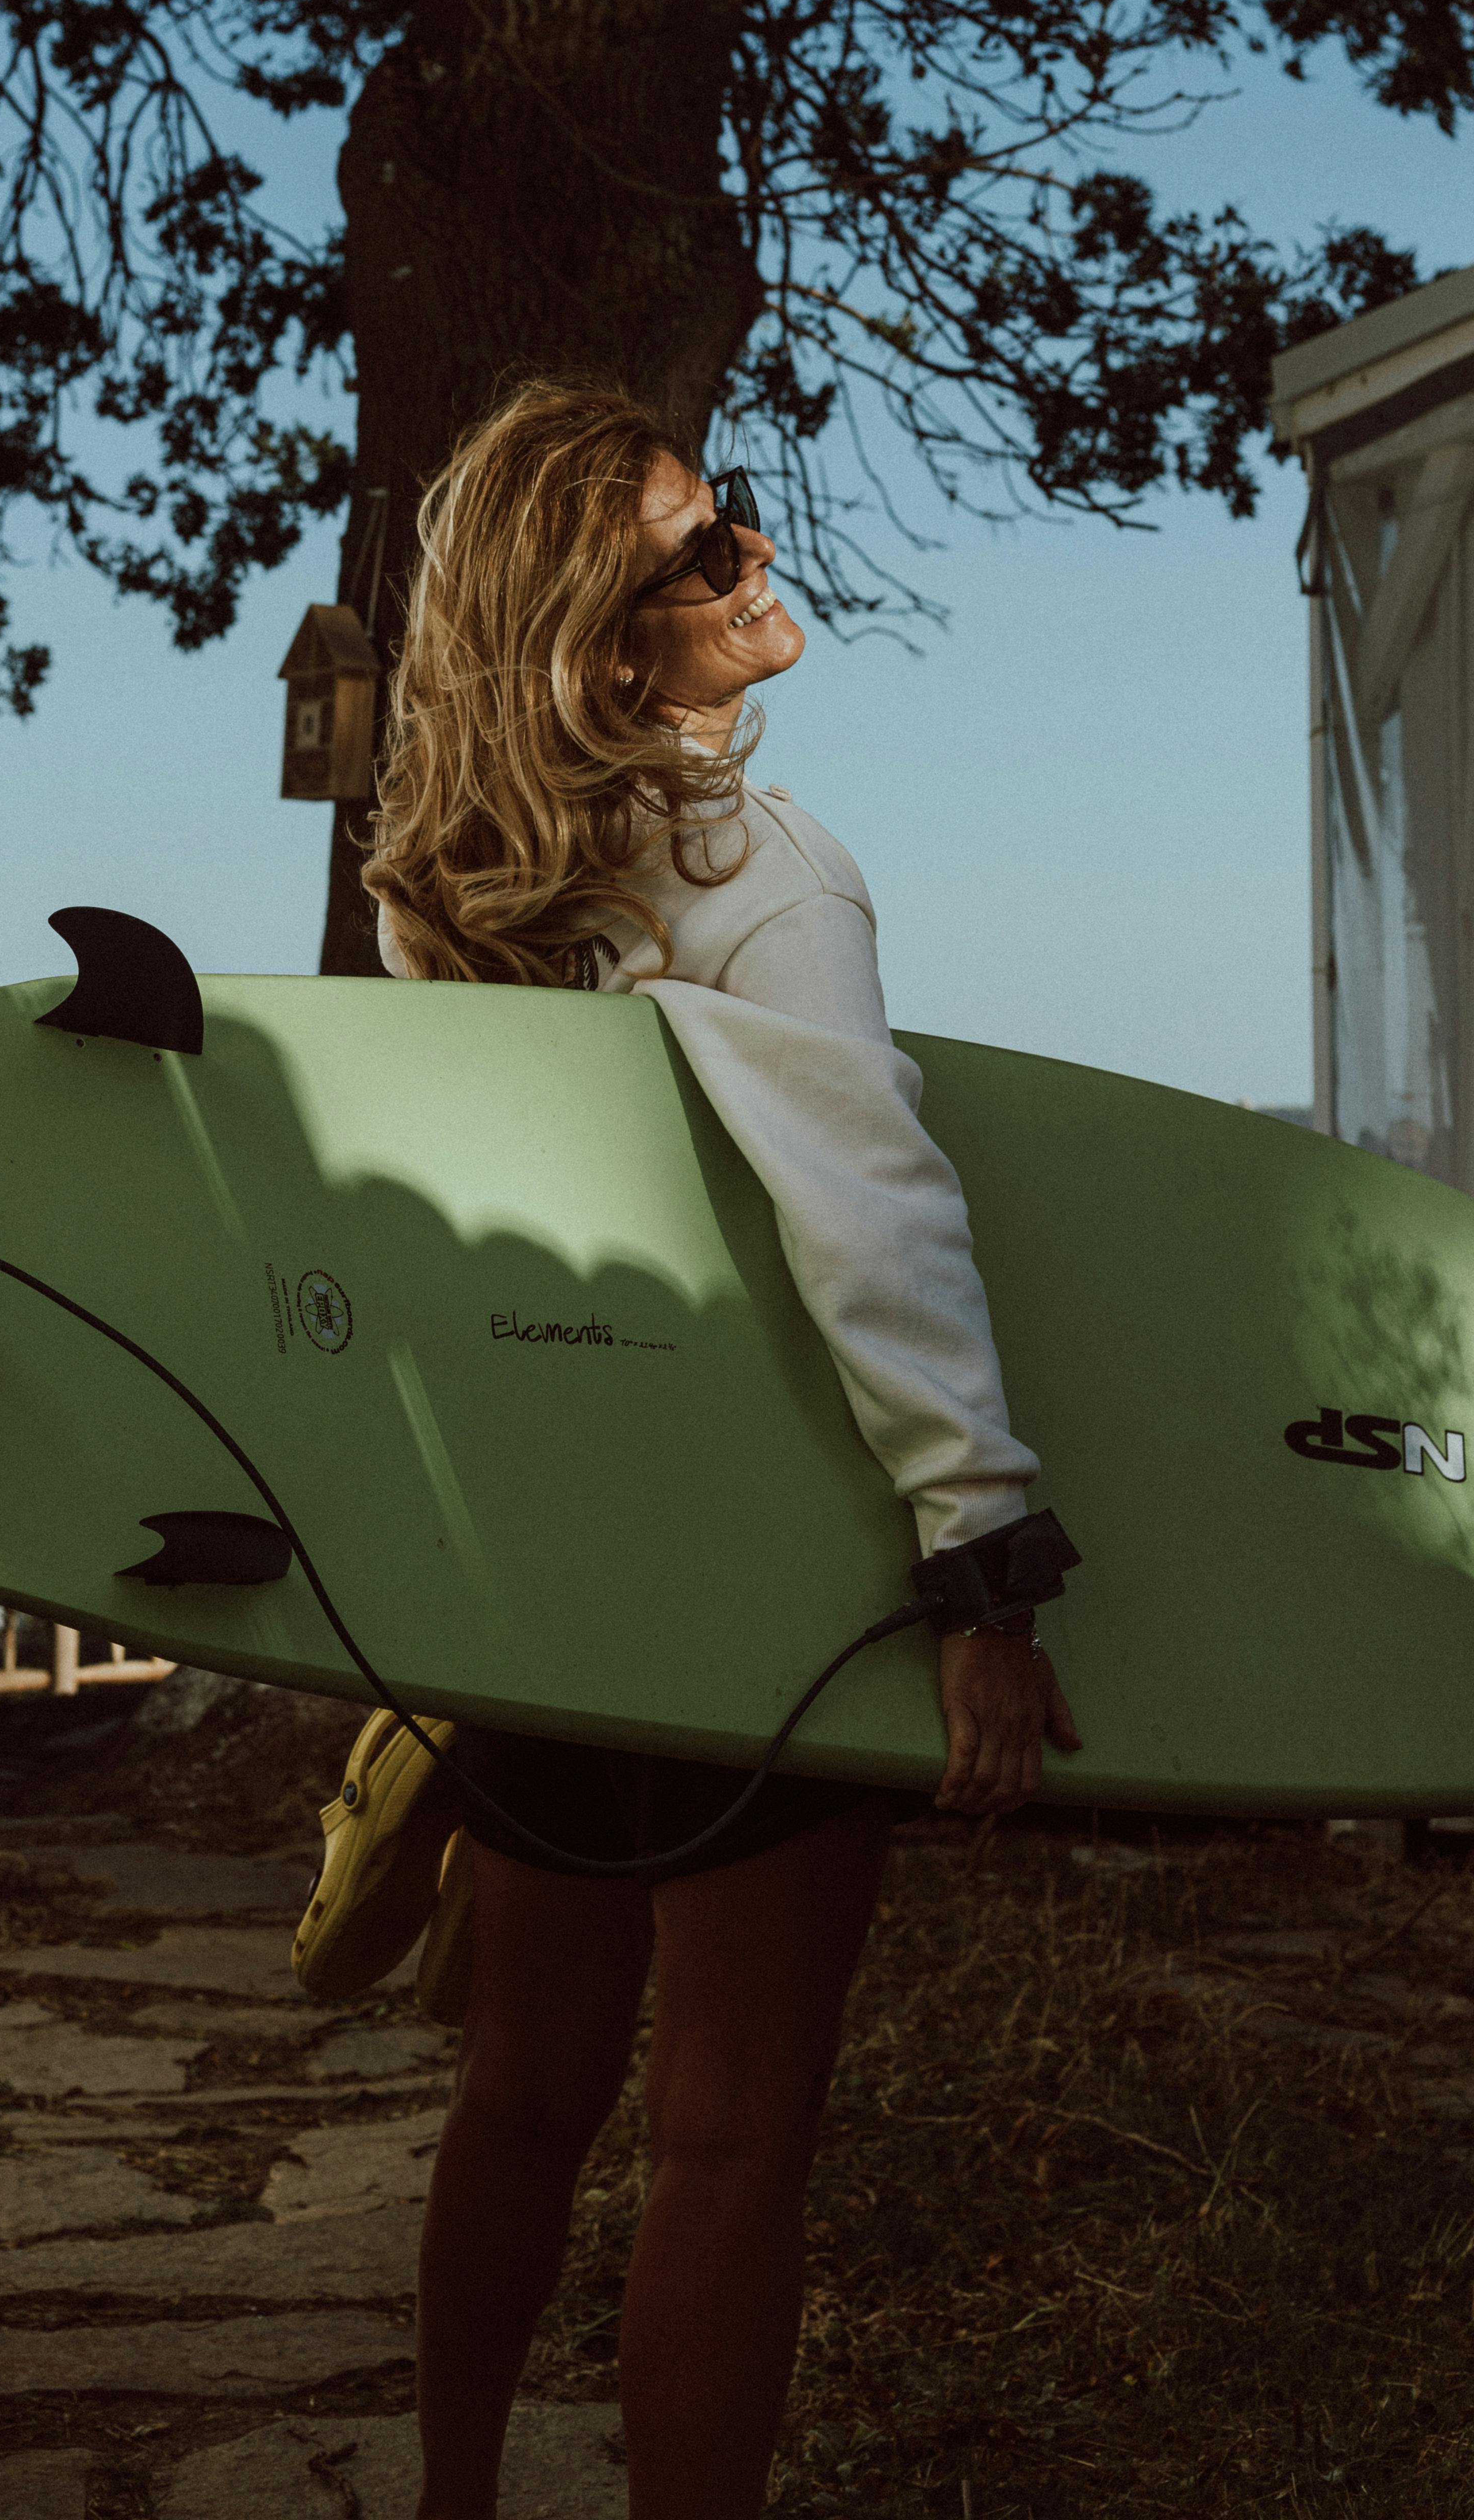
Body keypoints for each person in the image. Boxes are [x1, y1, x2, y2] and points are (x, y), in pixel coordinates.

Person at [364, 380, 1080, 2520]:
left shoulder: (451, 889)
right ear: (609, 650)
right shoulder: (759, 873)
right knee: (727, 2138)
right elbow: (875, 1220)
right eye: (705, 553)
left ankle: (457, 2497)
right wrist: (981, 1566)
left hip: (545, 1576)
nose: (755, 559)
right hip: (762, 1581)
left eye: (730, 517)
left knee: (522, 2095)